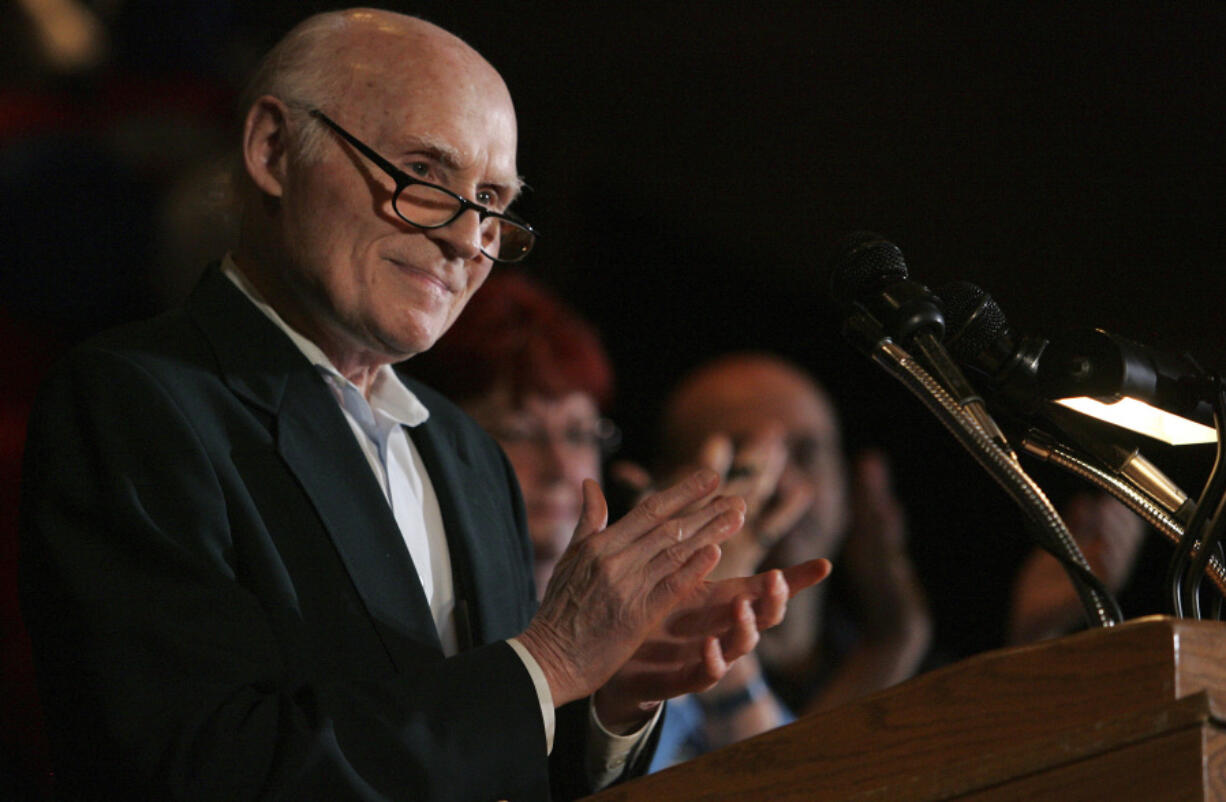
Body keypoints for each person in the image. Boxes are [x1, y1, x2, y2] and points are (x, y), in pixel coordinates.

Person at [18, 10, 830, 801]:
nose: (467, 240)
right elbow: (198, 768)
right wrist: (546, 664)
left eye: (493, 203)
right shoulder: (137, 402)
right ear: (272, 150)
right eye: (426, 176)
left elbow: (489, 760)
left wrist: (609, 704)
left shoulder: (465, 454)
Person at [411, 271, 796, 770]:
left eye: (577, 434)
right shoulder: (424, 606)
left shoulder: (636, 621)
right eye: (518, 431)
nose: (559, 469)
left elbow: (787, 776)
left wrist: (720, 630)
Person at [655, 352, 932, 719]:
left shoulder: (926, 681)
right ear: (666, 488)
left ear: (850, 486)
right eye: (745, 460)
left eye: (806, 454)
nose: (783, 485)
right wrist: (891, 649)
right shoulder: (650, 683)